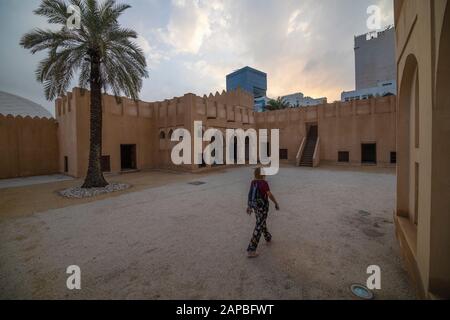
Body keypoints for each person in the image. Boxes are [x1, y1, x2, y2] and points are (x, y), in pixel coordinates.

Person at [246, 166, 280, 258]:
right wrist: (276, 203)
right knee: (259, 226)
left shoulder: (253, 182)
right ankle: (251, 250)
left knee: (261, 222)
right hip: (263, 207)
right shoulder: (264, 183)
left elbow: (250, 194)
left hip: (255, 207)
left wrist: (249, 206)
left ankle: (268, 237)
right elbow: (269, 194)